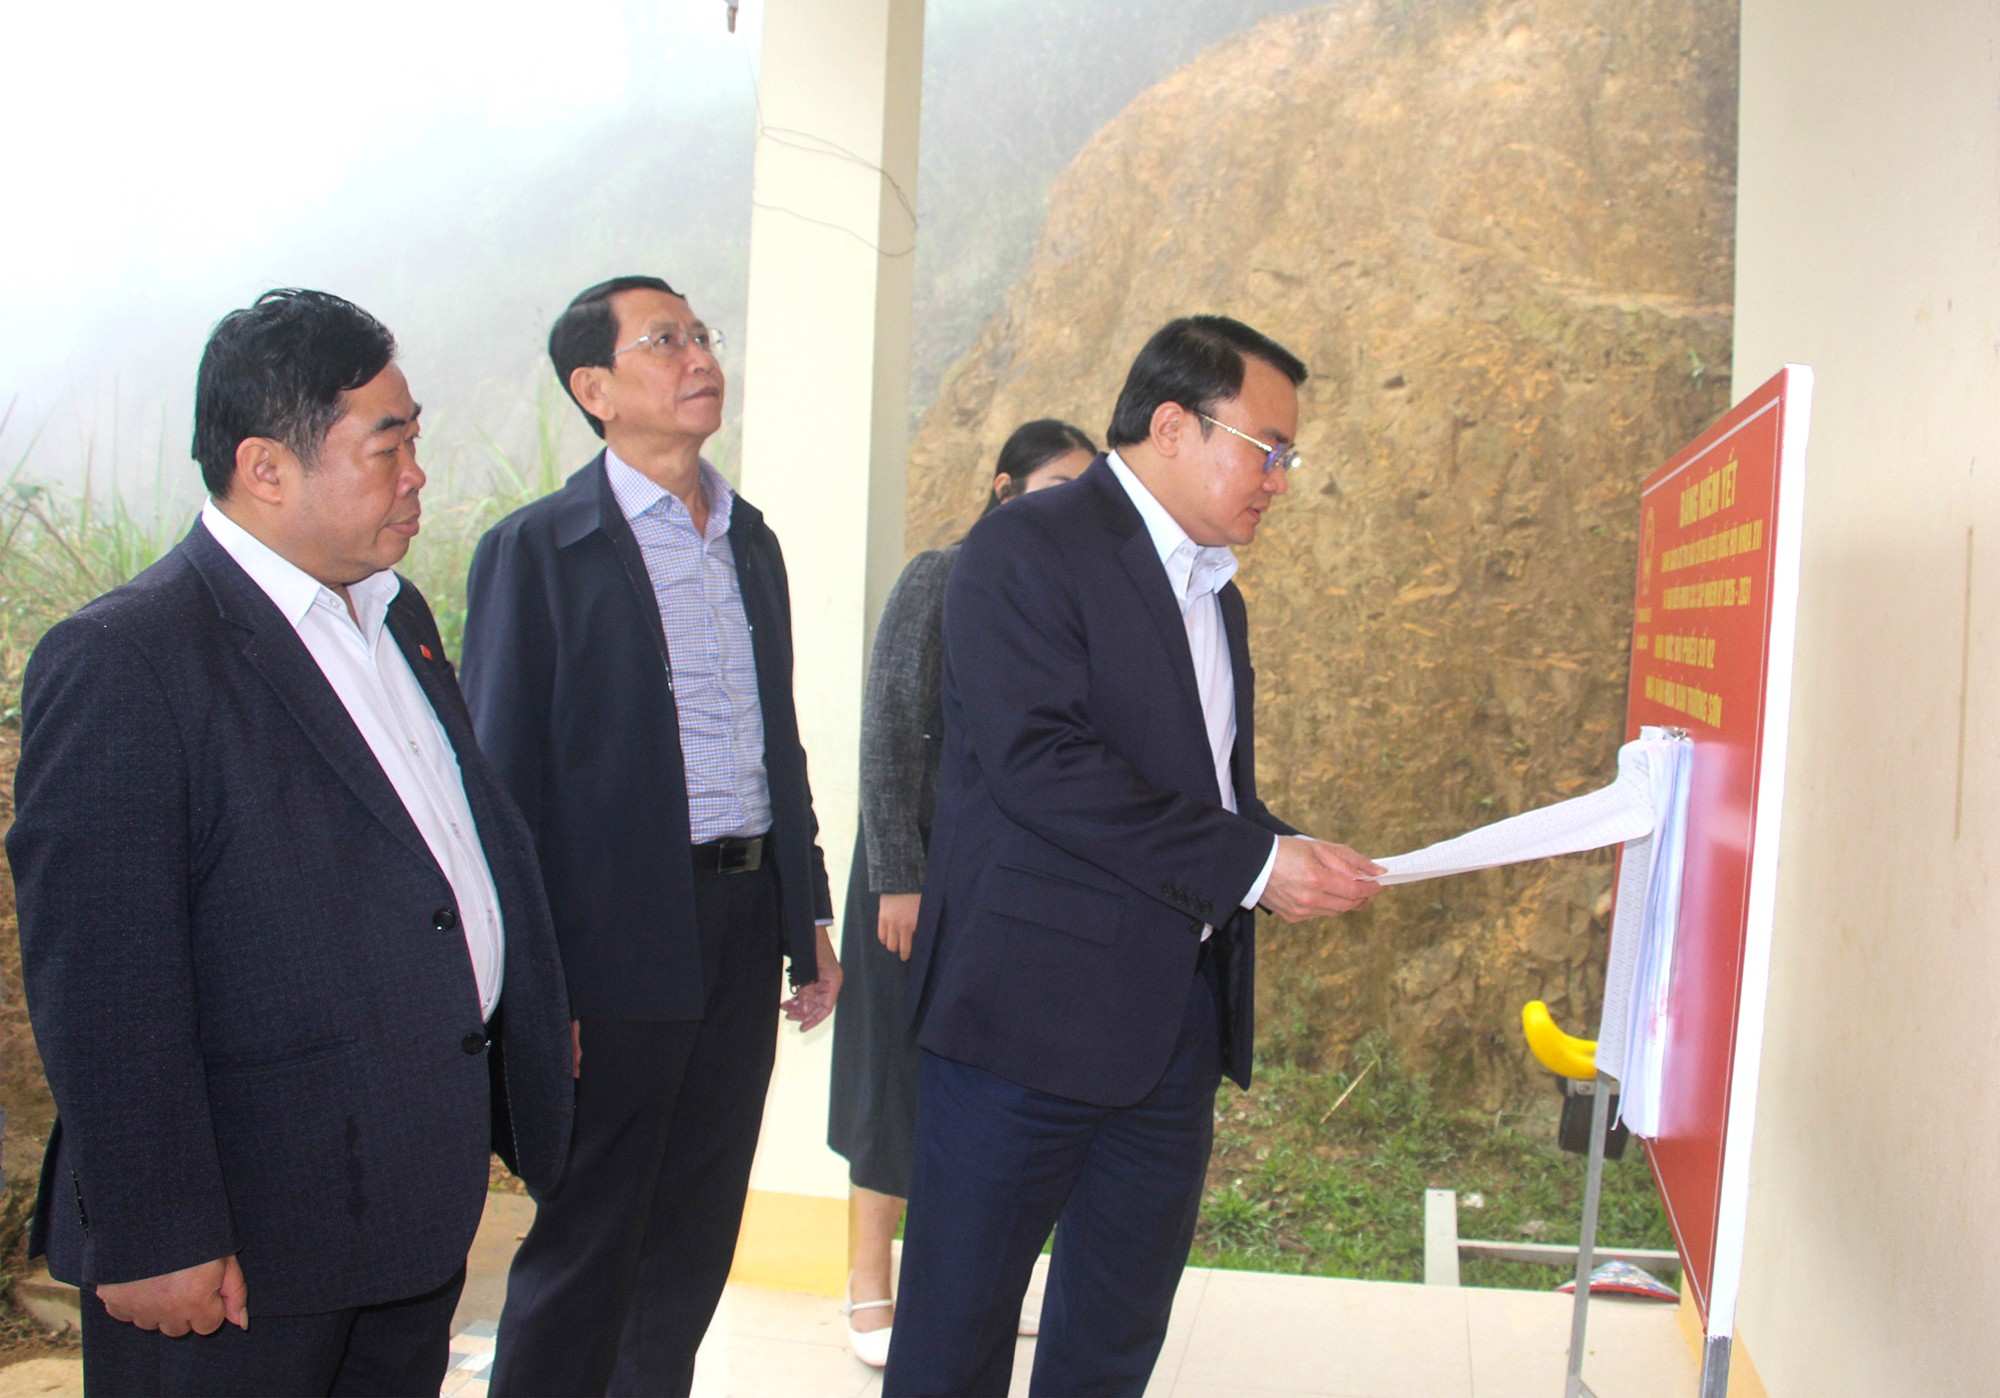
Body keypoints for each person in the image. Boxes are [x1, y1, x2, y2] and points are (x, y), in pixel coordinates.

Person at [7, 288, 575, 1397]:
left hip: (401, 1211)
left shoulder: (394, 617)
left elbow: (441, 856)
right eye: (387, 443)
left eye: (417, 438)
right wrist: (154, 1227)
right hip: (239, 1253)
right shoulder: (129, 656)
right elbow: (100, 974)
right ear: (266, 468)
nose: (416, 472)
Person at [884, 315, 1387, 1397]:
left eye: (1287, 456)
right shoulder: (1027, 548)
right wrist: (1251, 867)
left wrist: (1282, 845)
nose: (1280, 480)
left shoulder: (1216, 593)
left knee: (1110, 1341)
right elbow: (1042, 765)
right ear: (1173, 425)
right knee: (954, 1338)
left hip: (1166, 1036)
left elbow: (1193, 793)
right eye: (1267, 448)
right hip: (1021, 1029)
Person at [462, 274, 841, 1397]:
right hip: (609, 939)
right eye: (663, 340)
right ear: (593, 388)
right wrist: (539, 982)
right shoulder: (538, 550)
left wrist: (802, 907)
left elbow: (778, 742)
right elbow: (501, 784)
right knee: (590, 1237)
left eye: (700, 335)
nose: (698, 357)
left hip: (737, 920)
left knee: (692, 1230)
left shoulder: (748, 539)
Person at [827, 418, 1095, 1367]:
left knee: (978, 1094)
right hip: (918, 880)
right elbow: (889, 730)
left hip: (1003, 892)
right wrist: (901, 877)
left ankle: (962, 1285)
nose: (1072, 506)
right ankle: (867, 1282)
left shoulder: (1068, 603)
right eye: (1056, 484)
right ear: (1003, 487)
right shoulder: (940, 577)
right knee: (891, 1079)